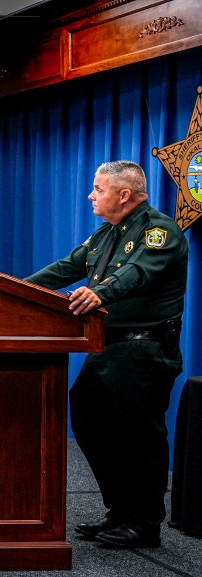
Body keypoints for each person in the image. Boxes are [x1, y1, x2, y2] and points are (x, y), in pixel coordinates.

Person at [25, 160, 188, 549]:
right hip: (108, 347)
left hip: (144, 350)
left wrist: (102, 292)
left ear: (125, 195)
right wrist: (11, 290)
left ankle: (144, 523)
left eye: (98, 189)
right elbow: (64, 269)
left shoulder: (159, 231)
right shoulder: (105, 234)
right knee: (90, 422)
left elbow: (136, 272)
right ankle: (121, 512)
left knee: (138, 436)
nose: (91, 196)